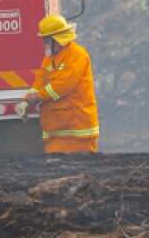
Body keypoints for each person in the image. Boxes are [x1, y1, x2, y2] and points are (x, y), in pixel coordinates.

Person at [21, 14, 99, 154]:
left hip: (77, 130)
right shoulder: (50, 58)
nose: (44, 43)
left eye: (46, 39)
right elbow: (40, 80)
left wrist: (38, 96)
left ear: (56, 39)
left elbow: (62, 85)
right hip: (56, 130)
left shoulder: (77, 55)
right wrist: (27, 100)